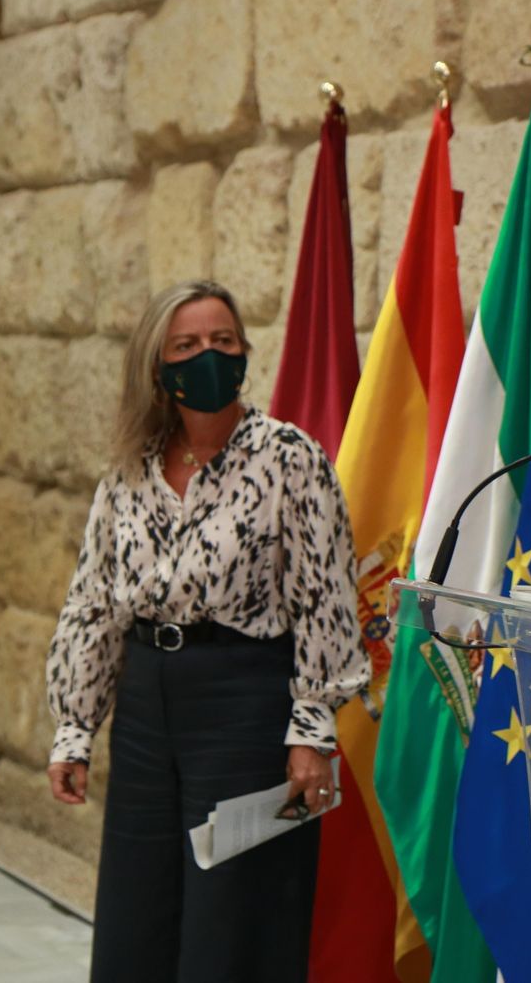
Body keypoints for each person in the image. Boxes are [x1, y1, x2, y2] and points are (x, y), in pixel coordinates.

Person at [44, 280, 368, 982]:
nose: (208, 357)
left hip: (244, 703)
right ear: (157, 365)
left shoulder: (291, 458)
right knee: (138, 908)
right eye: (187, 345)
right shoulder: (129, 470)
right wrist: (75, 728)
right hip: (146, 706)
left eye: (223, 341)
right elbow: (93, 604)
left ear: (246, 351)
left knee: (234, 917)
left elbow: (325, 600)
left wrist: (311, 731)